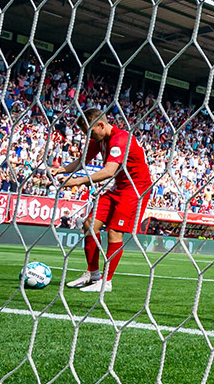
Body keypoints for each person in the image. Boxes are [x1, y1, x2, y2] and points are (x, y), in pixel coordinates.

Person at [51, 108, 152, 294]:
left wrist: (78, 181)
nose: (88, 136)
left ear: (100, 125)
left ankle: (106, 281)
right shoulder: (99, 138)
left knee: (114, 232)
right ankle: (93, 274)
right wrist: (62, 170)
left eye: (90, 131)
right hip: (119, 187)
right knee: (89, 224)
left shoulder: (120, 139)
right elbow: (82, 161)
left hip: (135, 190)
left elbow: (108, 171)